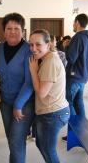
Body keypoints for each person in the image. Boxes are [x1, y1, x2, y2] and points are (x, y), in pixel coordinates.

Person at [0, 13, 35, 163]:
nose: (12, 32)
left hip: (24, 103)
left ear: (23, 31)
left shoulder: (28, 50)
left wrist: (18, 105)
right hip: (5, 101)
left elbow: (29, 82)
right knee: (12, 140)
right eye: (9, 28)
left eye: (16, 28)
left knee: (15, 141)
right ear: (4, 31)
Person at [29, 29, 70, 163]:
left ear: (48, 44)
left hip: (53, 113)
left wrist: (33, 71)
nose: (33, 49)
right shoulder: (48, 58)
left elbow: (41, 93)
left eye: (38, 44)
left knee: (48, 150)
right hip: (51, 112)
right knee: (41, 145)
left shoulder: (50, 61)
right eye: (31, 44)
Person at [63, 13, 88, 141]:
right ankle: (81, 131)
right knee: (78, 103)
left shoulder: (78, 37)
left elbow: (71, 58)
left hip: (74, 77)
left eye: (74, 23)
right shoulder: (87, 38)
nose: (73, 25)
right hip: (83, 76)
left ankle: (76, 132)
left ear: (77, 22)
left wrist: (66, 46)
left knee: (68, 102)